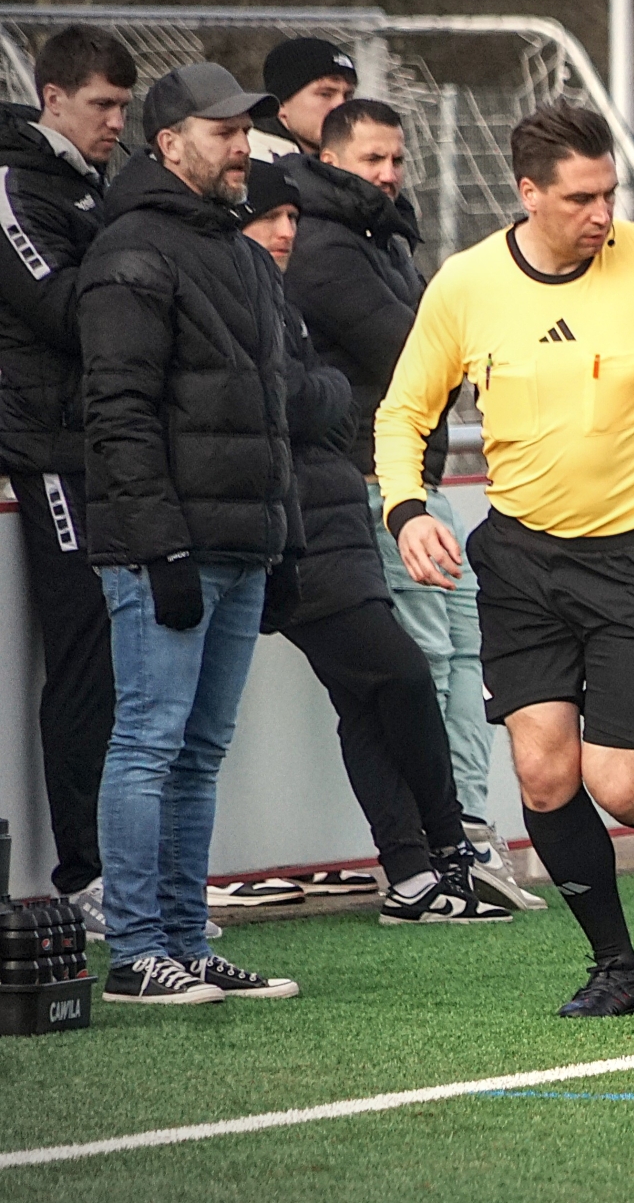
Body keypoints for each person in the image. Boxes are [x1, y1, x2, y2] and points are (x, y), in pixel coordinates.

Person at [375, 102, 634, 1017]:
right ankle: (616, 966)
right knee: (546, 775)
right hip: (520, 563)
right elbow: (403, 412)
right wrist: (406, 510)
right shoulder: (467, 286)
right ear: (529, 193)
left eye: (609, 193)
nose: (602, 213)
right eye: (582, 198)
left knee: (619, 784)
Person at [79, 63, 304, 1005]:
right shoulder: (132, 249)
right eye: (223, 131)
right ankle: (137, 952)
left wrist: (283, 539)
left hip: (240, 544)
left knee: (198, 751)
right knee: (149, 743)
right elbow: (118, 412)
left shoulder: (239, 253)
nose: (242, 145)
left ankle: (183, 939)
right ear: (169, 143)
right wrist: (161, 547)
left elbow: (272, 409)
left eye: (246, 130)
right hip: (165, 549)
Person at [238, 158, 511, 926]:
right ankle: (449, 848)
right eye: (270, 217)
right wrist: (322, 395)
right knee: (402, 676)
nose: (285, 231)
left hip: (332, 518)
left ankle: (414, 877)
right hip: (298, 529)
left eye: (292, 217)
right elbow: (286, 398)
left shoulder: (277, 292)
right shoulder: (240, 290)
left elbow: (322, 398)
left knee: (366, 700)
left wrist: (320, 396)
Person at [0, 27, 134, 936]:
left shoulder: (98, 186)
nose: (115, 122)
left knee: (127, 662)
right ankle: (84, 874)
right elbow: (59, 308)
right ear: (53, 98)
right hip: (52, 452)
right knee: (84, 655)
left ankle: (131, 872)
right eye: (101, 105)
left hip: (113, 449)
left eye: (123, 106)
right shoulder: (17, 186)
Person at [248, 37, 356, 160]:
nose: (341, 106)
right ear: (280, 104)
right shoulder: (250, 161)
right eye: (325, 94)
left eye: (348, 96)